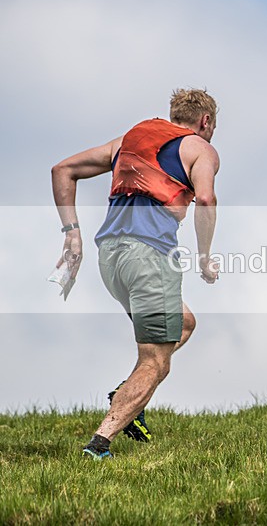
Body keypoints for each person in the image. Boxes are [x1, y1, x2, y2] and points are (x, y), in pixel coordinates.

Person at [51, 88, 221, 458]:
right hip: (149, 257)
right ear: (205, 122)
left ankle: (127, 393)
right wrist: (205, 257)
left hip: (110, 257)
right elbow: (205, 199)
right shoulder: (200, 148)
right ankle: (100, 442)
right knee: (155, 360)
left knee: (184, 322)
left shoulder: (130, 138)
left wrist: (72, 234)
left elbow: (62, 169)